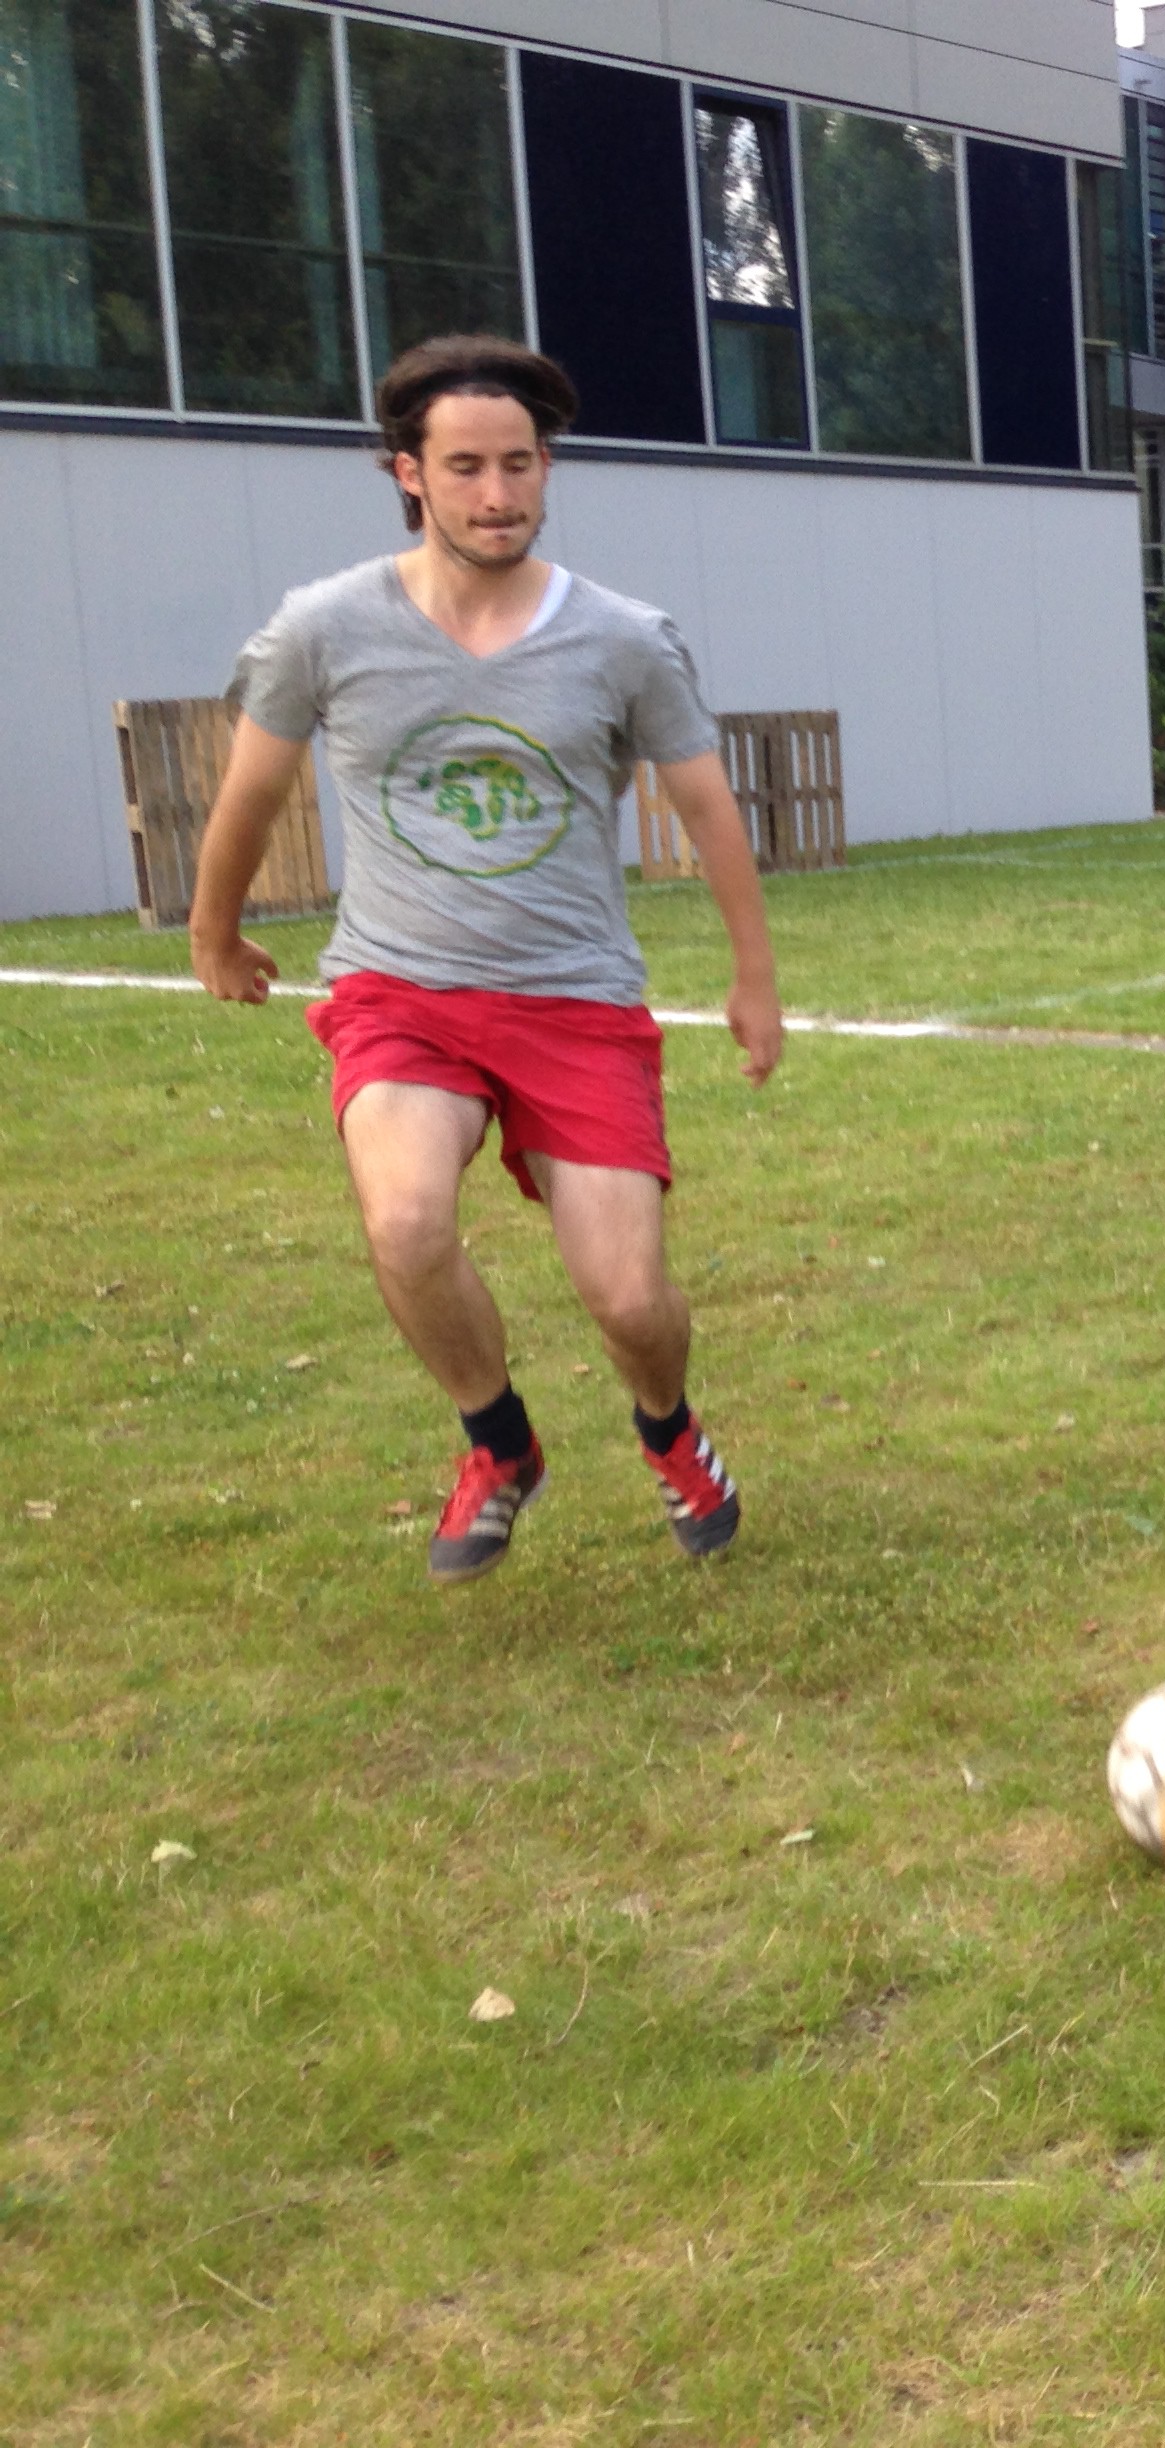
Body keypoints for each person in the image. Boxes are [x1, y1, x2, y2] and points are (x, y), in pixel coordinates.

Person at [188, 334, 783, 1587]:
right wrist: (214, 930)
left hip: (574, 1002)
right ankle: (498, 1442)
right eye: (465, 467)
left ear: (547, 466)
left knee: (630, 1301)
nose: (498, 493)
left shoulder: (623, 639)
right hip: (401, 991)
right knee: (405, 1221)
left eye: (520, 464)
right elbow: (250, 792)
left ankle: (667, 1429)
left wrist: (754, 977)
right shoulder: (323, 628)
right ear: (408, 472)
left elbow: (707, 804)